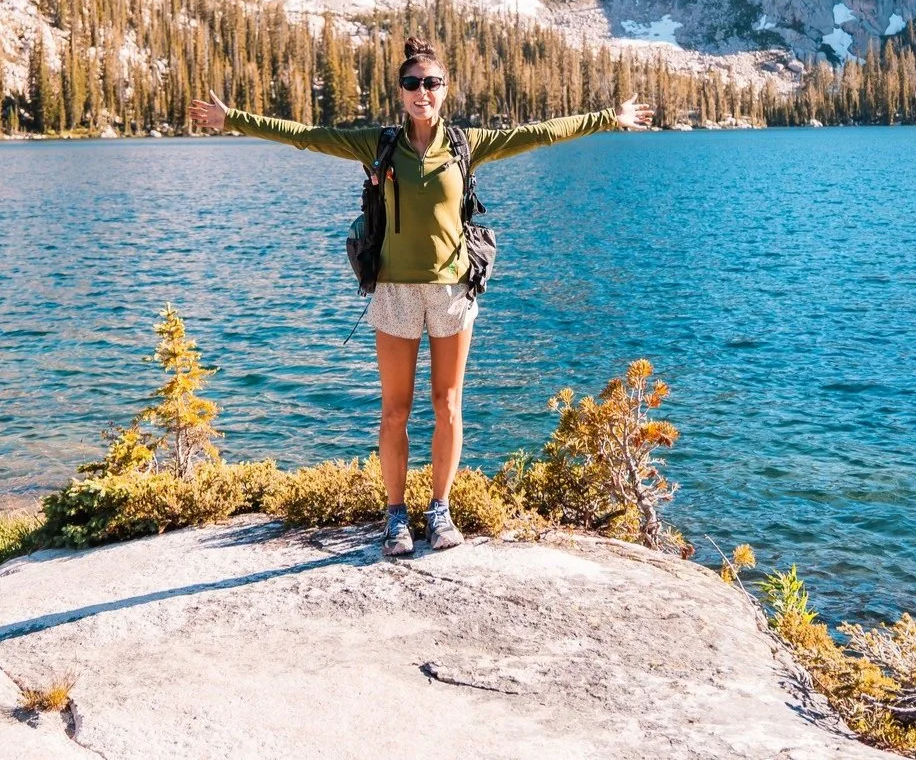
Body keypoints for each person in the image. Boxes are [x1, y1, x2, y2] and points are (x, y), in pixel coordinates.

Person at [187, 37, 652, 556]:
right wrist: (233, 119)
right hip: (394, 292)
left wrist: (609, 117)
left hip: (452, 291)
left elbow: (539, 133)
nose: (421, 92)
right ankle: (395, 516)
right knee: (395, 411)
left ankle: (440, 510)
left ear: (444, 89)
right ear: (401, 91)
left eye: (431, 83)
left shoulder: (466, 143)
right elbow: (308, 137)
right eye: (412, 83)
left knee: (448, 404)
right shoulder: (379, 143)